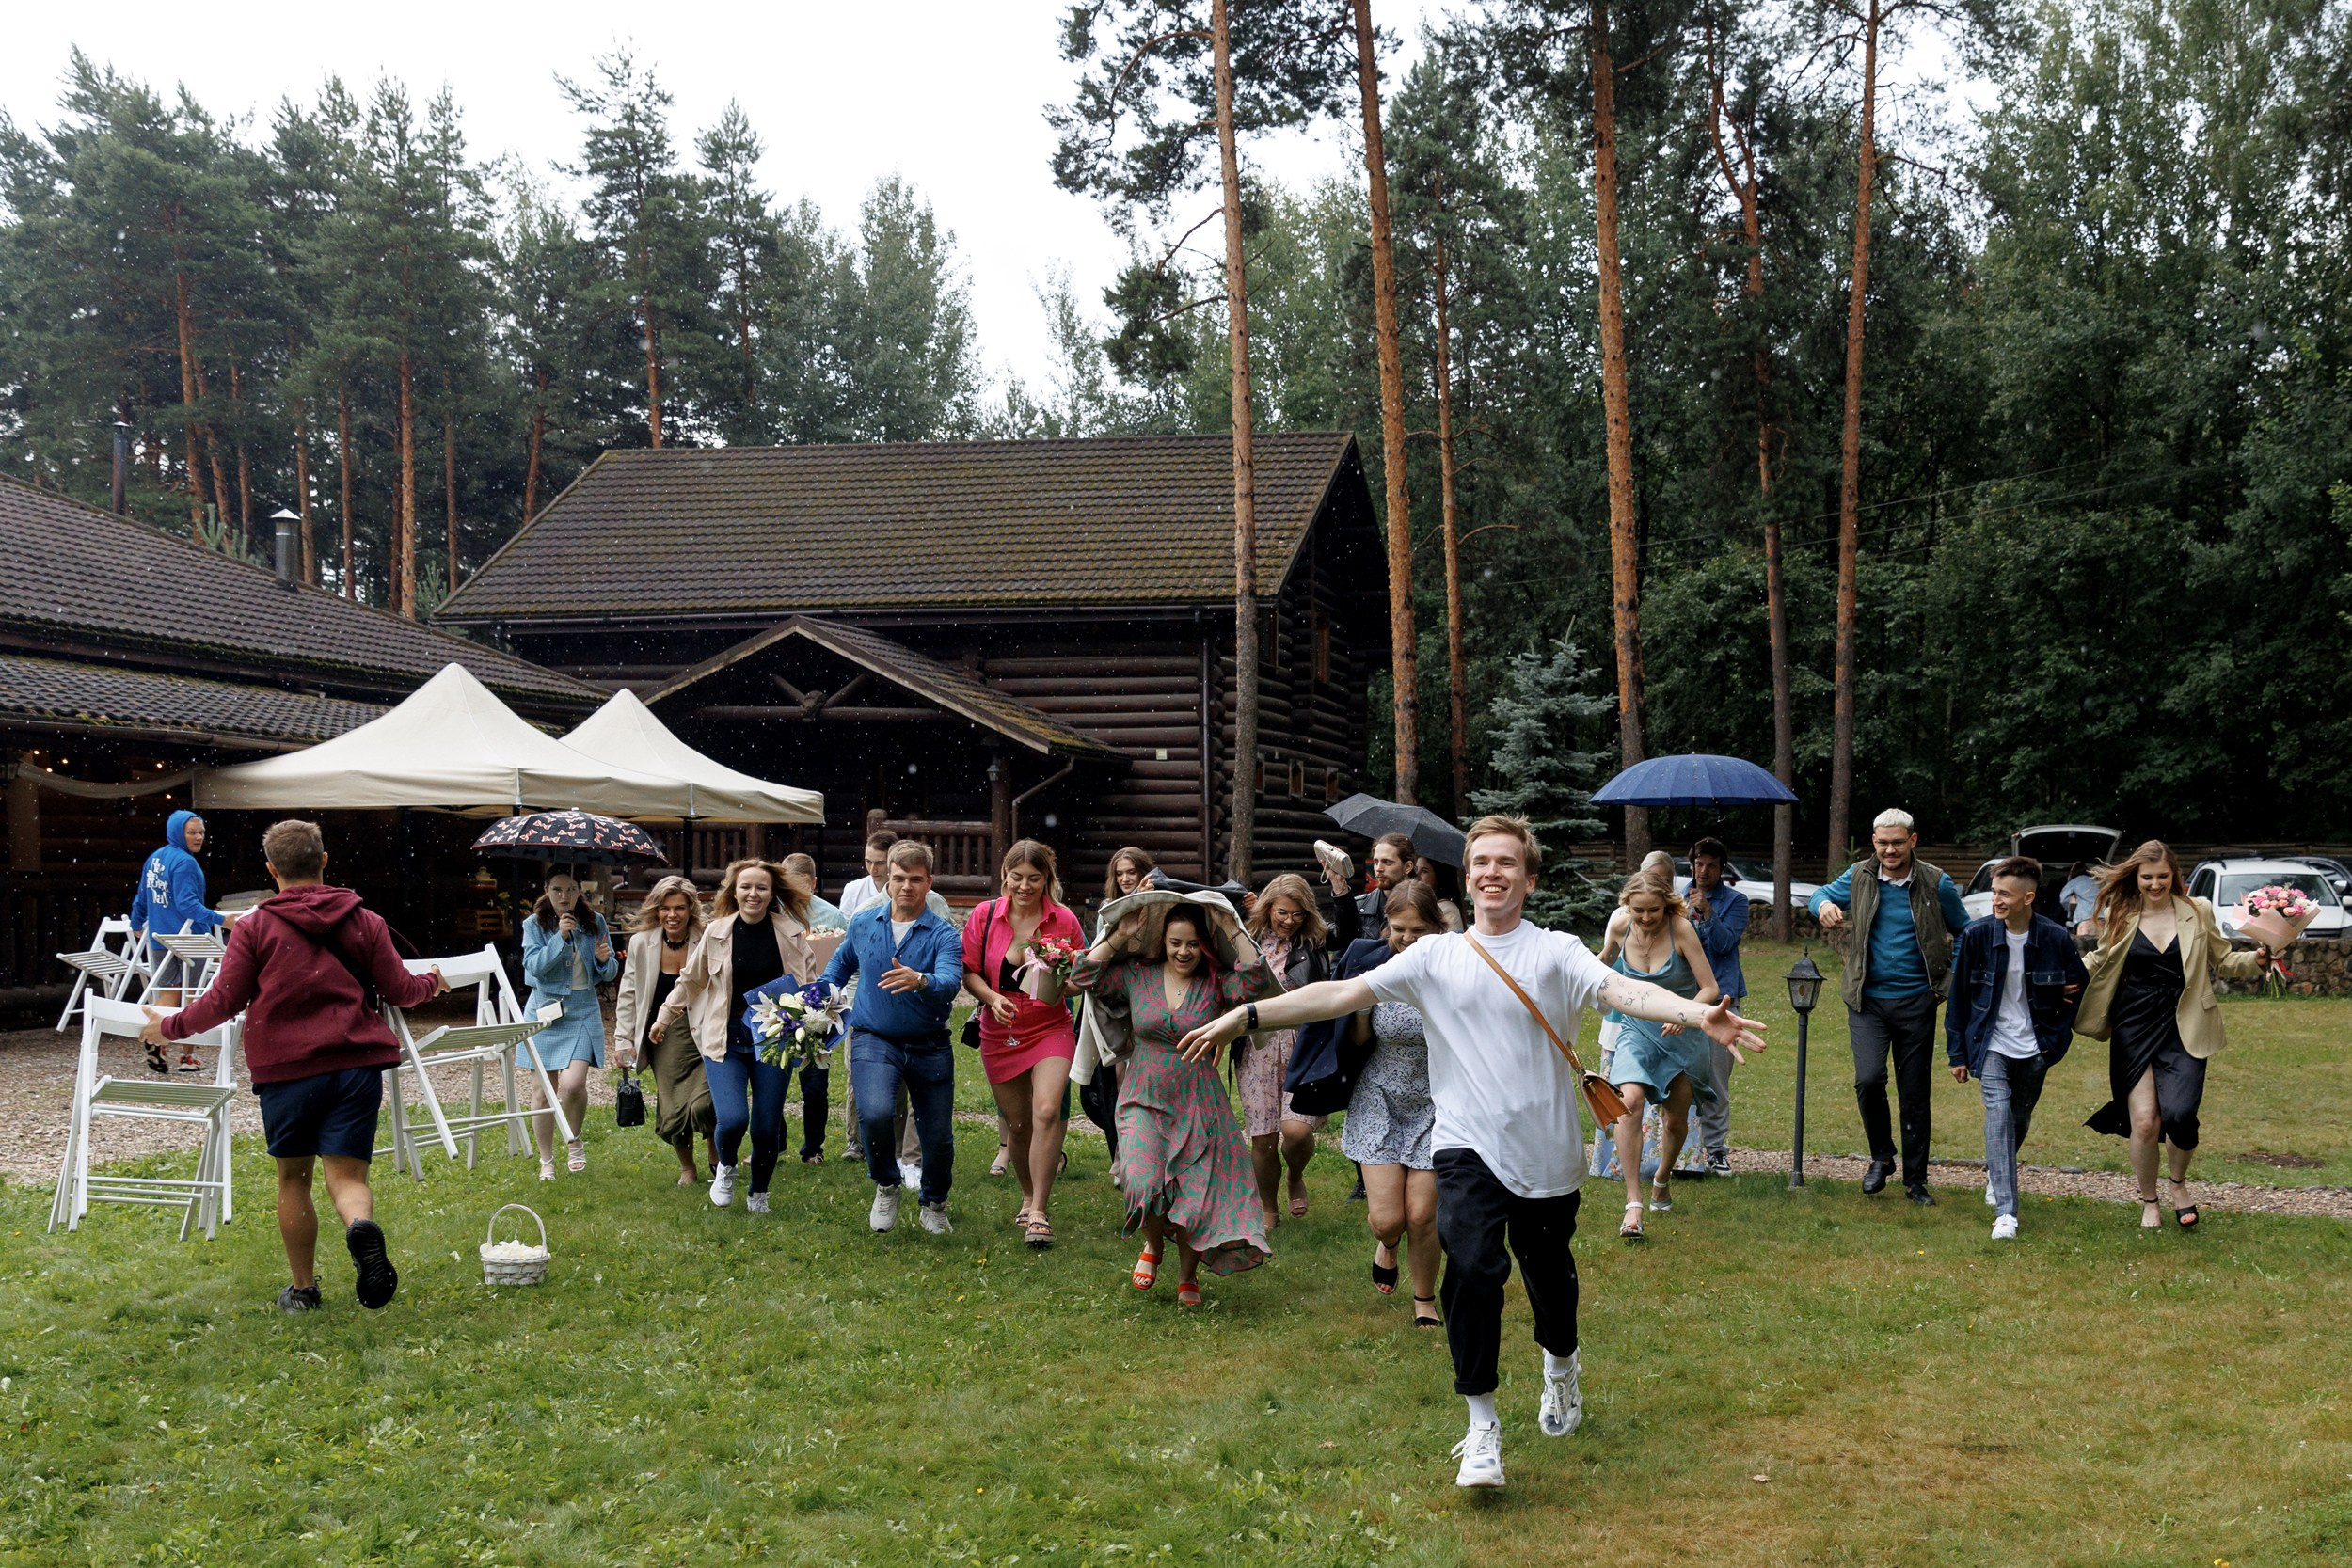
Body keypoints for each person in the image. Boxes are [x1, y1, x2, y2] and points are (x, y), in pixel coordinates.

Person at [1178, 814, 1767, 1489]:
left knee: (1550, 1283)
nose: (1493, 871)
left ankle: (1561, 1366)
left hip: (1545, 1155)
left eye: (1507, 862)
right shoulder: (1436, 956)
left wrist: (1698, 1012)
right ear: (1468, 872)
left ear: (1528, 876)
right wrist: (1247, 1014)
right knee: (1477, 1270)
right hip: (1462, 1147)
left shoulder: (1555, 950)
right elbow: (1338, 993)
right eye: (1481, 860)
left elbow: (1622, 990)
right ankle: (1481, 1423)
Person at [140, 819, 445, 1312]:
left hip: (287, 1071)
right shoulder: (365, 920)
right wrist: (433, 980)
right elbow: (402, 992)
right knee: (348, 1178)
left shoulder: (255, 927)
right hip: (355, 1066)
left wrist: (169, 1026)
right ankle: (361, 1229)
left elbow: (223, 1001)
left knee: (293, 1179)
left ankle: (303, 1290)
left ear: (271, 870)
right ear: (323, 861)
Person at [1071, 901, 1273, 1305]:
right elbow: (1083, 974)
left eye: (1194, 944)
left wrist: (1229, 928)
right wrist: (1120, 934)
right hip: (1143, 1096)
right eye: (1175, 943)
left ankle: (1187, 1276)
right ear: (1162, 941)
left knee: (1194, 1194)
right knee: (1140, 1178)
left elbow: (1254, 983)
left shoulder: (1216, 982)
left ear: (1205, 946)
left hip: (1199, 1101)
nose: (1184, 952)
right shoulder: (1136, 974)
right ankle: (1153, 1244)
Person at [2076, 840, 2270, 1230]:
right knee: (2145, 1121)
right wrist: (2060, 976)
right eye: (2147, 877)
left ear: (2174, 875)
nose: (2154, 884)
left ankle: (2178, 1184)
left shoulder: (2197, 911)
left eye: (2162, 876)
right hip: (2133, 1023)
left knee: (2180, 1115)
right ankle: (2150, 1201)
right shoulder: (2121, 913)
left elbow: (2225, 960)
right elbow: (2098, 960)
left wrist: (2258, 960)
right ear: (2136, 877)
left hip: (2185, 1023)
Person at [1809, 809, 1971, 1205]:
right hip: (1867, 1000)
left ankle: (1916, 1181)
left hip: (1918, 1000)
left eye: (1897, 842)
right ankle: (1882, 1157)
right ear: (1874, 841)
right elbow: (1820, 894)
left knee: (1914, 1093)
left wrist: (1947, 982)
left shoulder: (1936, 882)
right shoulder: (1861, 875)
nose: (1889, 850)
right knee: (1868, 1080)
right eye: (1882, 842)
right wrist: (1822, 906)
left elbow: (1965, 930)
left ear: (1912, 841)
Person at [651, 858, 819, 1214]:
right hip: (725, 1039)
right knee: (732, 1119)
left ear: (772, 893)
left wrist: (817, 1022)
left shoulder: (790, 934)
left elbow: (809, 986)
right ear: (734, 891)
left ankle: (759, 1192)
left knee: (764, 1127)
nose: (753, 894)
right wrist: (665, 1016)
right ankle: (724, 1168)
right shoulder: (717, 933)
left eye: (761, 887)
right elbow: (692, 980)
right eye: (746, 887)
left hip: (775, 1038)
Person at [822, 840, 965, 1235]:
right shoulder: (865, 922)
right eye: (898, 878)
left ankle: (934, 1203)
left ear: (929, 882)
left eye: (915, 880)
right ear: (887, 878)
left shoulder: (943, 934)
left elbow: (951, 982)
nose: (906, 887)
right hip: (873, 1036)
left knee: (937, 1136)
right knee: (875, 1114)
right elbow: (841, 961)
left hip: (929, 1042)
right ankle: (887, 1184)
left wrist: (921, 980)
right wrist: (819, 994)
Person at [1945, 856, 2087, 1241]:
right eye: (1994, 892)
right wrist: (1956, 1053)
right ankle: (2006, 1213)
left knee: (2019, 1117)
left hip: (2036, 1046)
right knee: (1999, 1110)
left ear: (2028, 897)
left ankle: (1997, 1169)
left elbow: (2080, 988)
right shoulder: (1976, 937)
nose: (1996, 900)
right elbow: (1958, 998)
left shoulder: (2055, 938)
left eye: (2005, 893)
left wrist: (2056, 1030)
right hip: (1990, 1042)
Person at [961, 839, 1085, 1248]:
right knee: (1017, 1125)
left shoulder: (1064, 920)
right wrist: (992, 999)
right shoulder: (984, 916)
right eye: (1017, 877)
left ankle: (1039, 1211)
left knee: (1047, 1110)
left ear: (1047, 879)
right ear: (1004, 877)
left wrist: (1061, 985)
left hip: (1050, 1026)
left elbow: (1081, 977)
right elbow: (971, 973)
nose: (1025, 886)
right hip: (1000, 1030)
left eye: (1034, 878)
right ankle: (1027, 1193)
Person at [1595, 869, 1727, 1239]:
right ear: (1628, 906)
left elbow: (1710, 988)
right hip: (1637, 1029)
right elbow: (1601, 963)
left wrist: (1684, 1016)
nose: (1646, 918)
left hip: (1681, 1033)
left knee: (1673, 1121)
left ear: (1666, 906)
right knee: (1629, 1102)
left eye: (1653, 910)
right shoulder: (1621, 927)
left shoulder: (1681, 929)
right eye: (1639, 910)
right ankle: (1633, 1204)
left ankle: (1663, 1176)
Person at [1340, 879, 1447, 1327]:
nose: (1406, 939)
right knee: (1389, 1221)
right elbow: (1362, 1039)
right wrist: (1362, 1008)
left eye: (1417, 930)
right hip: (1380, 1097)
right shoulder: (1377, 967)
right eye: (1398, 928)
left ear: (1437, 929)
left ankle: (1424, 1301)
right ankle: (1387, 1244)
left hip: (1436, 1102)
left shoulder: (1451, 972)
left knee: (1422, 1215)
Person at [1241, 873, 1331, 1226]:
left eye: (1296, 914)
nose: (1289, 921)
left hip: (1302, 1042)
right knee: (1262, 1138)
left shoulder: (1316, 940)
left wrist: (1339, 885)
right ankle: (1268, 1208)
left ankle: (1295, 1174)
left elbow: (1350, 924)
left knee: (1296, 1132)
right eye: (1282, 912)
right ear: (1268, 907)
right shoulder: (1247, 939)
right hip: (1259, 1044)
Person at [612, 874, 715, 1185]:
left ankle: (716, 1156)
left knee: (707, 1102)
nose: (672, 915)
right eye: (666, 908)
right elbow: (628, 994)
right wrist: (623, 1041)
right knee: (672, 1104)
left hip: (706, 1031)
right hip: (662, 1034)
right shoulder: (642, 943)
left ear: (691, 910)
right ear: (656, 910)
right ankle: (687, 1167)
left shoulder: (708, 936)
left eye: (680, 908)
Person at [519, 869, 621, 1180]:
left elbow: (610, 973)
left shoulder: (595, 923)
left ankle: (574, 1140)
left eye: (571, 889)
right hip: (545, 1010)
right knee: (542, 1091)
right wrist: (560, 938)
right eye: (558, 890)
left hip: (582, 1010)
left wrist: (604, 961)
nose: (565, 897)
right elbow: (534, 968)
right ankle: (546, 1160)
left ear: (579, 892)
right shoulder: (534, 925)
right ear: (546, 890)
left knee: (573, 1084)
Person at [1073, 847, 1160, 1163]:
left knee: (1147, 1072)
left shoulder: (1159, 903)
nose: (1125, 878)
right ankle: (1124, 1149)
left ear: (1144, 873)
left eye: (1131, 872)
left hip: (1150, 993)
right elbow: (1101, 952)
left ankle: (1149, 1145)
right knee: (1119, 1073)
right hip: (1116, 999)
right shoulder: (1109, 908)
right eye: (1119, 873)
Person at [129, 808, 228, 1069]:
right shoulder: (185, 863)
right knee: (190, 997)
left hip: (161, 938)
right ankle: (187, 1057)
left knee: (169, 995)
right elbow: (188, 906)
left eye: (201, 832)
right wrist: (222, 919)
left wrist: (136, 922)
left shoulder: (154, 859)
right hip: (189, 939)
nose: (198, 837)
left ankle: (155, 1042)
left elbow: (142, 897)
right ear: (178, 832)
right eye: (192, 832)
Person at [1685, 837, 1751, 1176]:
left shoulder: (1736, 901)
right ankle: (1682, 1149)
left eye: (1711, 865)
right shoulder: (1678, 899)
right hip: (1682, 999)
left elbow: (1726, 944)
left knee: (1715, 1079)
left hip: (1722, 1001)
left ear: (1722, 869)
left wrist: (1707, 912)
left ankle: (1716, 1150)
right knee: (1679, 1076)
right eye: (1699, 864)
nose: (1704, 871)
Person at [782, 852, 847, 1164]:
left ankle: (813, 1149)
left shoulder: (832, 916)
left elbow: (846, 961)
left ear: (813, 883)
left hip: (817, 1008)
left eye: (800, 886)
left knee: (815, 1083)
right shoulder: (772, 913)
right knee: (771, 1080)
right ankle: (774, 1142)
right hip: (779, 1006)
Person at [2059, 860, 2102, 946]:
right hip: (2102, 920)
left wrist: (2071, 912)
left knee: (2083, 953)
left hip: (2085, 921)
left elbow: (2063, 899)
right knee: (2100, 952)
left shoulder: (2074, 881)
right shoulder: (2097, 882)